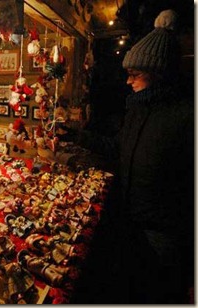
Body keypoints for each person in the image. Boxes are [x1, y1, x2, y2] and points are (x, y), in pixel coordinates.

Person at [60, 10, 194, 304]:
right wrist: (76, 135)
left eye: (135, 74)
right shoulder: (136, 110)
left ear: (158, 75)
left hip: (166, 237)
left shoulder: (187, 118)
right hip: (131, 223)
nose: (128, 81)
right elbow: (117, 148)